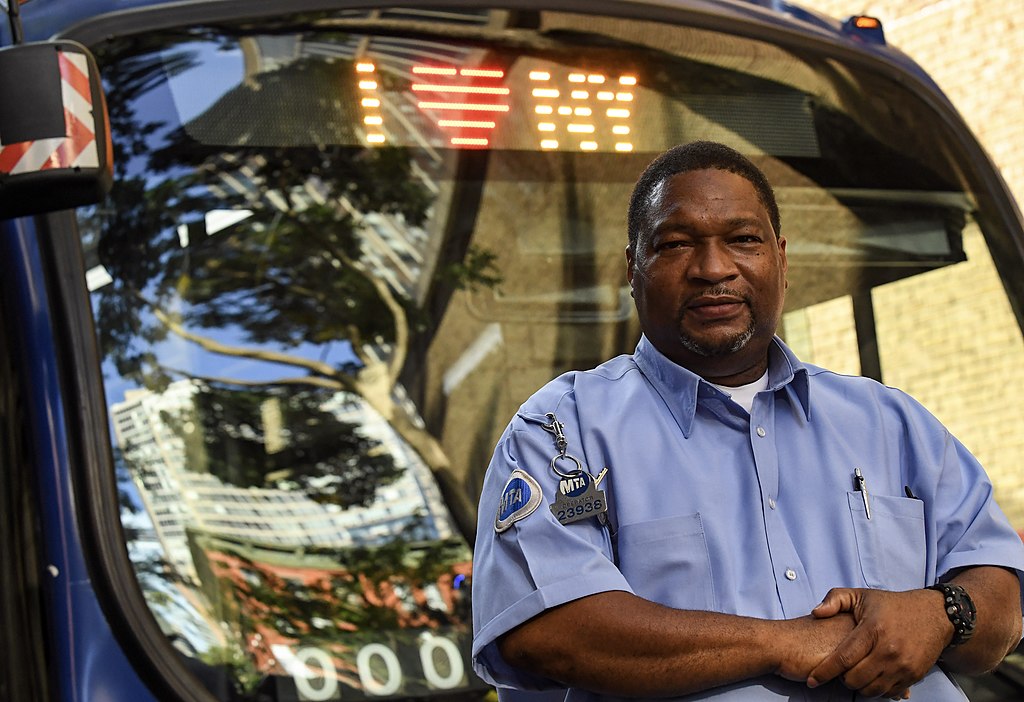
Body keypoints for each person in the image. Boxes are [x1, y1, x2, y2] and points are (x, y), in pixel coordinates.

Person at [470, 141, 1024, 701]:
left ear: (780, 259)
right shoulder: (561, 432)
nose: (713, 269)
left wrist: (941, 613)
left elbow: (1002, 602)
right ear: (633, 269)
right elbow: (548, 633)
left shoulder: (890, 422)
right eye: (677, 243)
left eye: (742, 240)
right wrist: (783, 643)